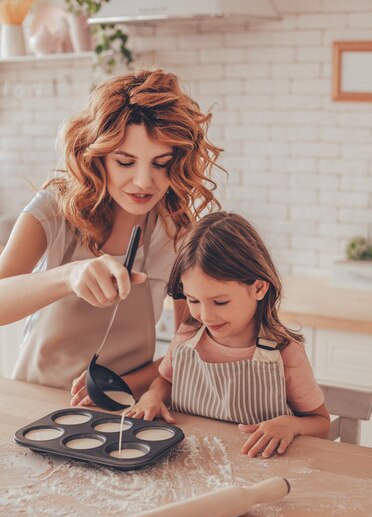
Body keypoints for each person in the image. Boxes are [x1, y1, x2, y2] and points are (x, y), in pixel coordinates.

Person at [0, 69, 223, 403]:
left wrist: (125, 385)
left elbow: (190, 347)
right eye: (125, 162)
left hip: (122, 411)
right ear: (98, 157)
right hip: (33, 404)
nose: (145, 182)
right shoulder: (53, 211)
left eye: (160, 163)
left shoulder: (174, 232)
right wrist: (68, 276)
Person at [125, 212, 330, 458]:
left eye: (220, 302)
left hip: (258, 476)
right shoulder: (186, 339)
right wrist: (152, 396)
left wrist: (292, 424)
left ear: (258, 288)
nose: (206, 315)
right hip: (190, 467)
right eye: (193, 300)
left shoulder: (284, 354)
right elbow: (167, 381)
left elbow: (321, 423)